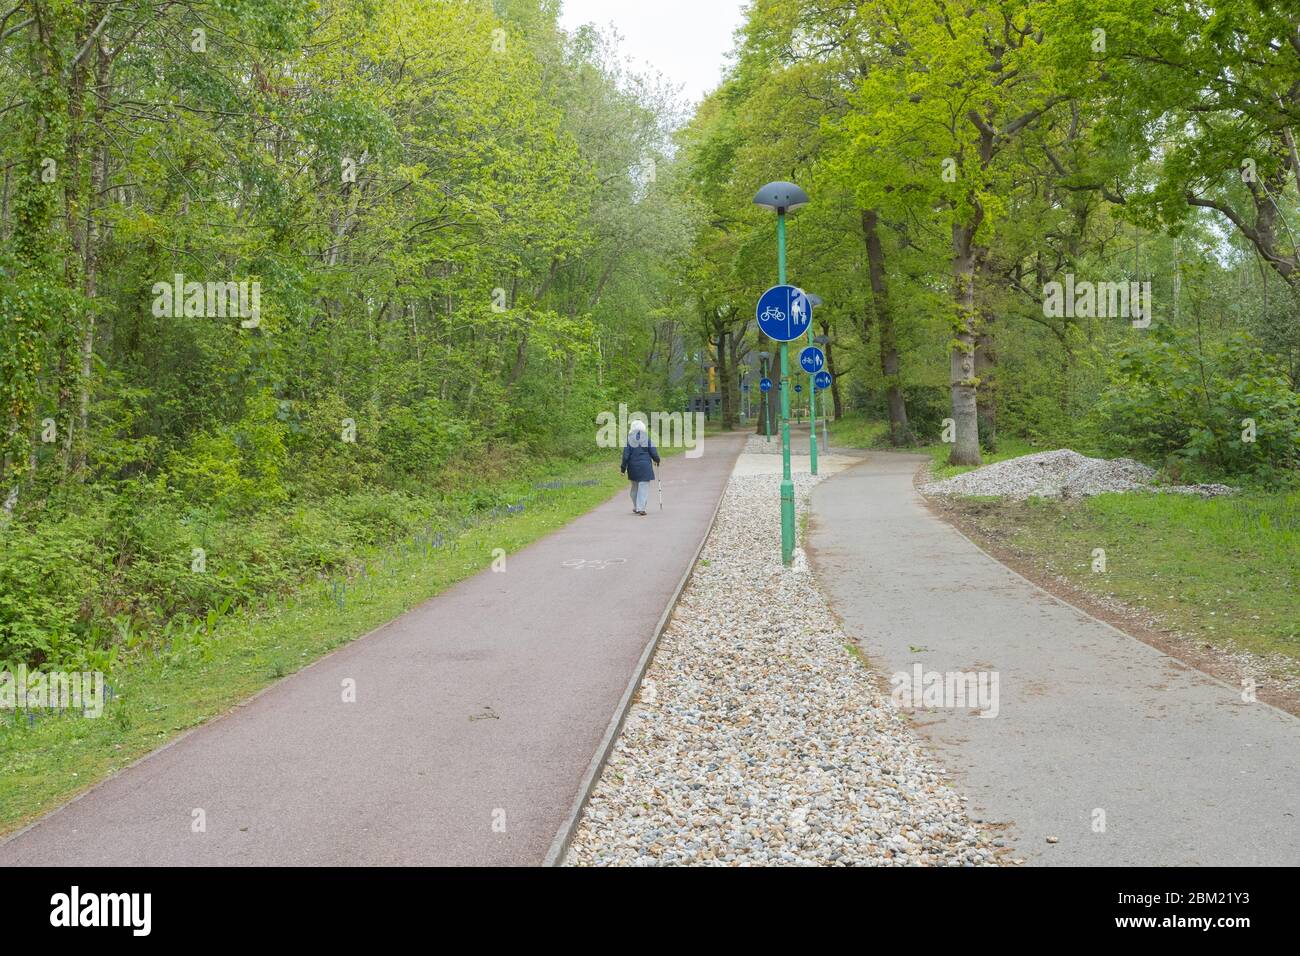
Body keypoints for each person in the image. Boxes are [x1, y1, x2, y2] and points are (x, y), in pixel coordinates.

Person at [620, 419, 660, 516]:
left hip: (633, 468)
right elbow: (653, 452)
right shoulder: (646, 438)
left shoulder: (629, 439)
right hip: (645, 467)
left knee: (634, 488)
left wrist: (623, 469)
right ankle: (641, 508)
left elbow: (625, 456)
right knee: (643, 487)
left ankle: (636, 507)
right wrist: (657, 460)